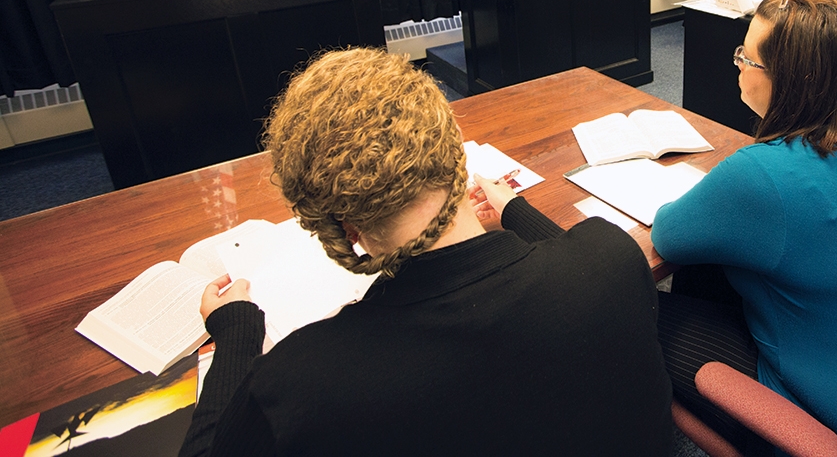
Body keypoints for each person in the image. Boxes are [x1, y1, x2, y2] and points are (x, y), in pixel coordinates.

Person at [177, 49, 672, 457]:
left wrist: (236, 334)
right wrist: (514, 210)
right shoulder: (613, 257)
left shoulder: (299, 385)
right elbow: (572, 254)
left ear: (340, 226)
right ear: (453, 151)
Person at [652, 0, 837, 457]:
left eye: (746, 58)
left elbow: (667, 233)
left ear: (794, 80)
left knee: (637, 308)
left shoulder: (764, 175)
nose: (738, 67)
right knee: (710, 265)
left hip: (830, 425)